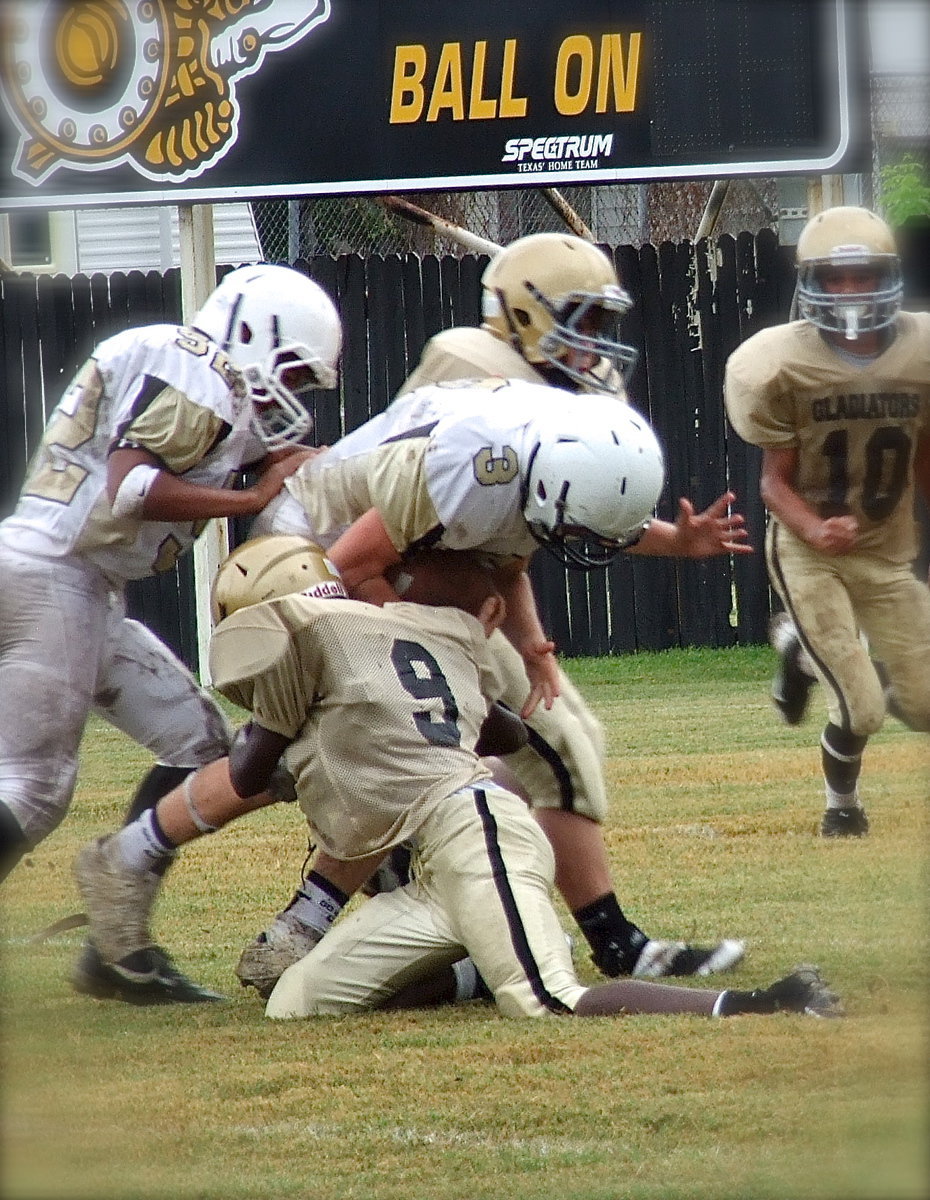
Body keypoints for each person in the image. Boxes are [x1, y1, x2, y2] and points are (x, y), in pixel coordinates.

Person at [243, 233, 750, 994]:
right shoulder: (473, 370)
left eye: (602, 321)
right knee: (535, 748)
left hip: (416, 563)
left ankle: (351, 917)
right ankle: (611, 944)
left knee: (482, 753)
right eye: (581, 316)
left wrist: (548, 634)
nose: (597, 341)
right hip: (344, 559)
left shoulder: (542, 392)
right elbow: (449, 515)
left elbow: (548, 512)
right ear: (524, 311)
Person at [77, 546, 839, 1020]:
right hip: (442, 860)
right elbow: (508, 732)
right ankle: (477, 962)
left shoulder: (302, 644)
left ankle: (762, 1004)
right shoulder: (414, 623)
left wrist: (313, 744)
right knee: (295, 1004)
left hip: (473, 829)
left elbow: (244, 772)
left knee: (549, 1002)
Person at [0, 261, 342, 1000]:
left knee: (200, 745)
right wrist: (251, 493)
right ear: (250, 335)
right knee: (32, 787)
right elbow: (132, 486)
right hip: (56, 576)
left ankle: (115, 948)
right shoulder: (200, 368)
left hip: (76, 581)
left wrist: (268, 469)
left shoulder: (194, 378)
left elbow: (182, 459)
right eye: (293, 371)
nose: (296, 395)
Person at [724, 205, 930, 837]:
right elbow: (772, 482)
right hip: (810, 549)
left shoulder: (920, 353)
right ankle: (842, 807)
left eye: (862, 275)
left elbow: (924, 460)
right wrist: (813, 528)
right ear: (809, 282)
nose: (848, 291)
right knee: (862, 706)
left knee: (923, 706)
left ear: (888, 276)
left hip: (887, 550)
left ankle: (797, 649)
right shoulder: (781, 364)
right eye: (833, 278)